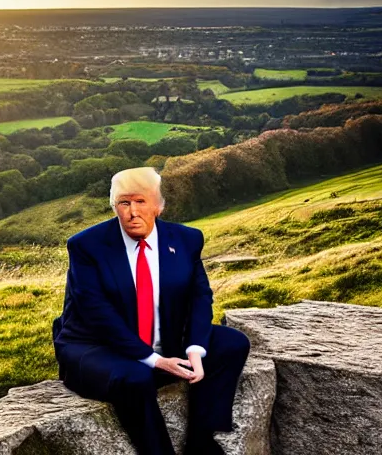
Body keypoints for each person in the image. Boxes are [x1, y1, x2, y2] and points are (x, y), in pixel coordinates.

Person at [53, 167, 250, 455]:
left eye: (140, 201)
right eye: (124, 202)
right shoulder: (86, 246)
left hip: (164, 338)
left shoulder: (186, 240)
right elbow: (96, 313)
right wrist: (155, 360)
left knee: (232, 344)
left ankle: (201, 442)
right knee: (135, 377)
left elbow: (199, 296)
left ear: (158, 206)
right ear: (114, 207)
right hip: (97, 346)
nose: (132, 212)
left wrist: (195, 348)